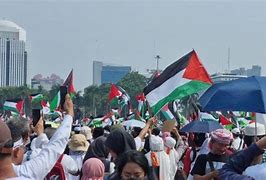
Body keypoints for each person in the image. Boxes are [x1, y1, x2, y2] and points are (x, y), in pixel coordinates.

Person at [13, 94, 75, 179]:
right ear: (16, 151)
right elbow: (52, 149)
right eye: (22, 149)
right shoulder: (26, 170)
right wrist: (69, 115)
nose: (24, 150)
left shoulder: (19, 170)